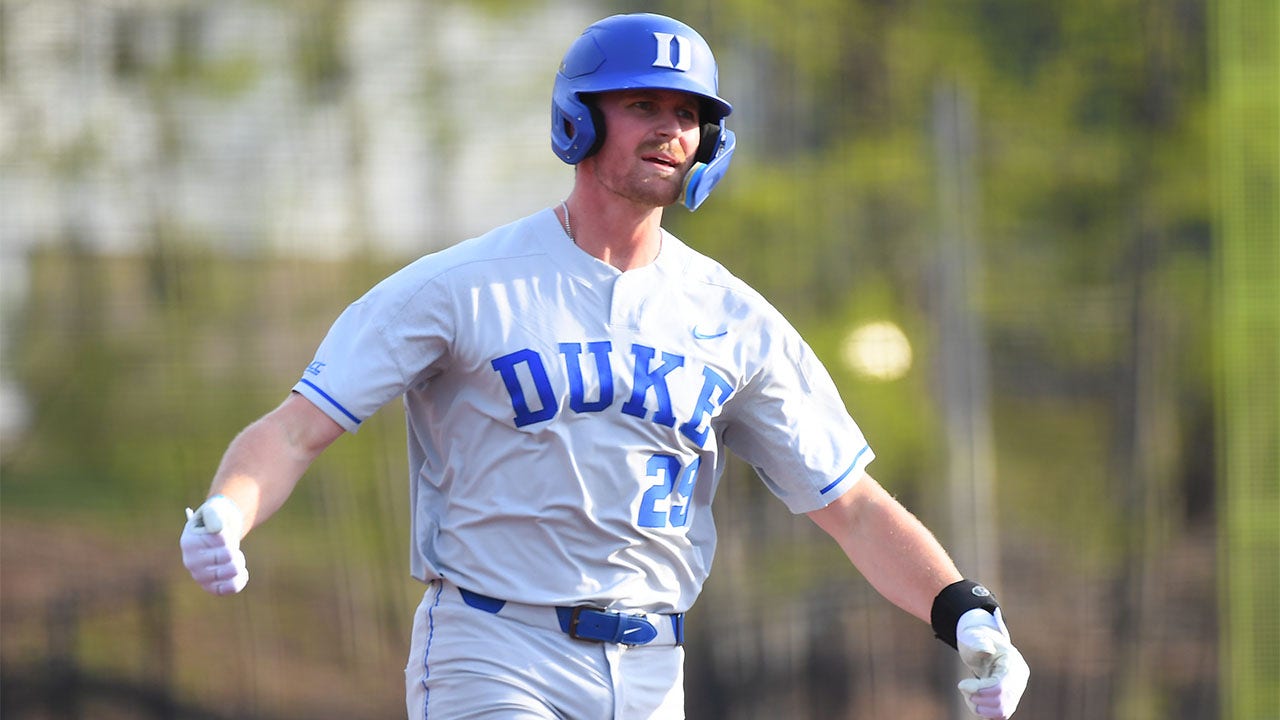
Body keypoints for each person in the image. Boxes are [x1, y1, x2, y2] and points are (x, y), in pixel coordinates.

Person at [180, 12, 1029, 720]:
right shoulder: (462, 286)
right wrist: (228, 507)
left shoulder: (734, 318)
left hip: (655, 669)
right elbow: (297, 431)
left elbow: (850, 505)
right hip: (493, 648)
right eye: (644, 104)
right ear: (578, 120)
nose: (672, 128)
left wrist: (965, 611)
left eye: (690, 113)